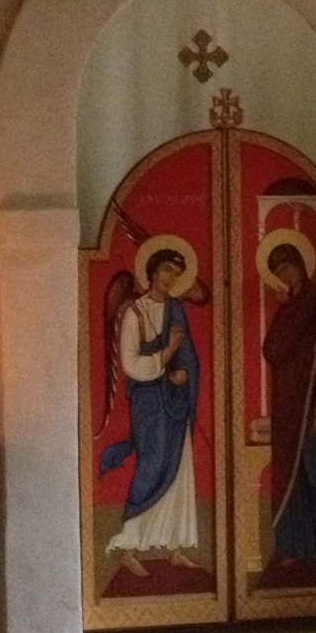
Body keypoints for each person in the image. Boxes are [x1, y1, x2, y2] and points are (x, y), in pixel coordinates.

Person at [99, 247, 201, 578]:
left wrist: (184, 372)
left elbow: (189, 357)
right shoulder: (135, 314)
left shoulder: (175, 310)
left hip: (174, 401)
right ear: (153, 271)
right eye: (167, 270)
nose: (170, 278)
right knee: (151, 464)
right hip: (148, 401)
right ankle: (129, 549)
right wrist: (167, 353)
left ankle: (175, 547)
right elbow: (131, 365)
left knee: (180, 467)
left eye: (176, 273)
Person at [261, 241, 316, 578]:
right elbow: (271, 350)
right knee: (291, 473)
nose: (285, 275)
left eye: (287, 267)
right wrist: (285, 310)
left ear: (300, 264)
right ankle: (292, 546)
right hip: (286, 403)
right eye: (278, 271)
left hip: (310, 403)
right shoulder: (288, 307)